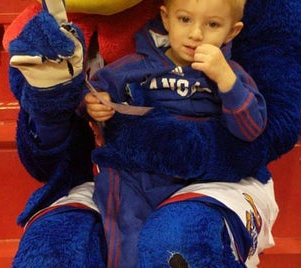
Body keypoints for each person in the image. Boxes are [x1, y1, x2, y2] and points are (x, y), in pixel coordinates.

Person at [81, 0, 270, 266]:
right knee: (128, 239)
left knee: (187, 239)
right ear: (166, 19)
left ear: (232, 32)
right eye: (185, 20)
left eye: (212, 25)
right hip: (137, 178)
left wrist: (226, 80)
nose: (196, 34)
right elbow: (93, 93)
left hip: (200, 181)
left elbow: (251, 129)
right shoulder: (133, 66)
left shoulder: (233, 75)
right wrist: (95, 104)